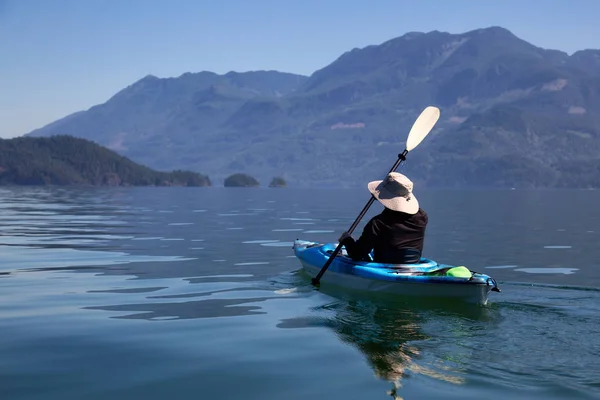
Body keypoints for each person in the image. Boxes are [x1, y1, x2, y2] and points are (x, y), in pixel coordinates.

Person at [339, 172, 428, 264]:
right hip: (413, 266)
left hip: (384, 266)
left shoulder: (377, 224)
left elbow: (357, 254)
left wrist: (346, 240)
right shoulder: (422, 218)